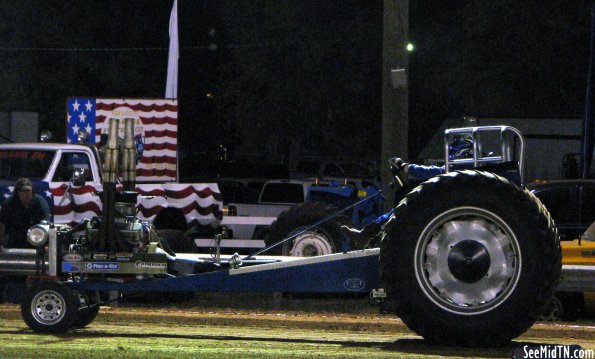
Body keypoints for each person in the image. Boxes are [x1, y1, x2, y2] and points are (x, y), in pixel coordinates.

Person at [0, 178, 50, 250]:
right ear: (17, 192)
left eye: (28, 190)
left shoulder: (40, 202)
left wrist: (47, 244)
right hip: (15, 240)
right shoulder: (9, 204)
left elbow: (46, 224)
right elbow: (2, 225)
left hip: (36, 238)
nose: (26, 194)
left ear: (32, 191)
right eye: (22, 191)